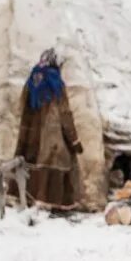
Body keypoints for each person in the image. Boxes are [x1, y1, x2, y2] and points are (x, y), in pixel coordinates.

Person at [15, 49, 83, 210]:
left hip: (30, 137)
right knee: (60, 164)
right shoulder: (56, 83)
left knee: (31, 165)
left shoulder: (32, 81)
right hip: (52, 137)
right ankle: (53, 204)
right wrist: (74, 140)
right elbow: (64, 114)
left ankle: (29, 199)